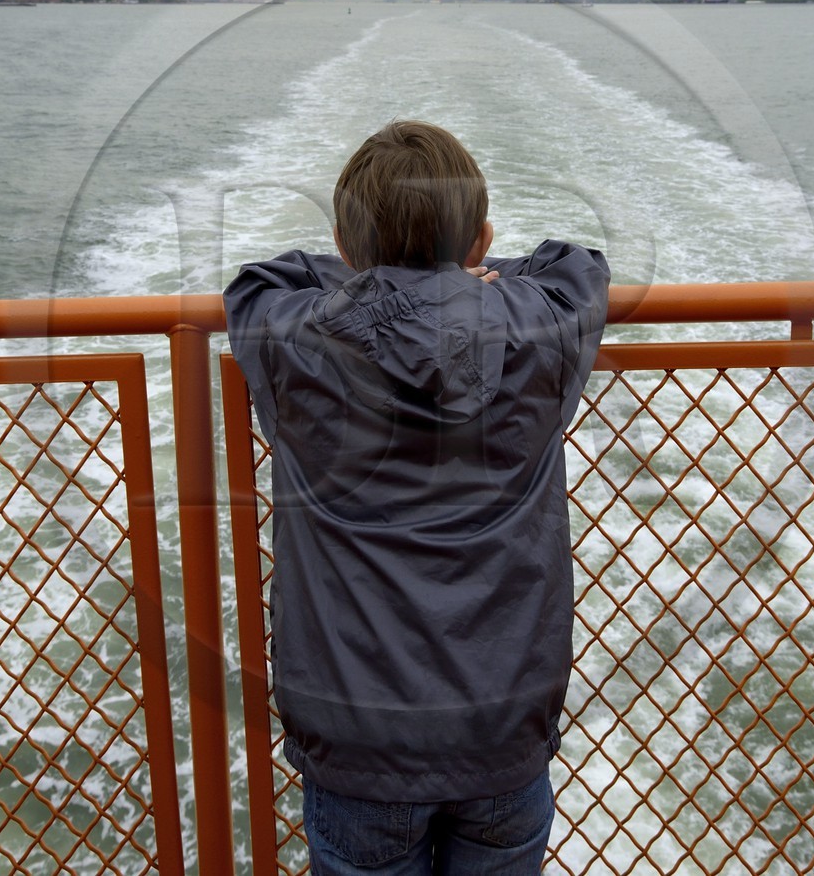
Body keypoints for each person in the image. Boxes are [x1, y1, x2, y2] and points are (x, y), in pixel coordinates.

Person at [223, 120, 609, 874]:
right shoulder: (540, 327)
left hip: (359, 741)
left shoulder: (298, 338)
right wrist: (457, 286)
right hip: (500, 733)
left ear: (344, 248)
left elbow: (261, 281)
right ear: (482, 241)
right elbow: (575, 266)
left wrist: (391, 287)